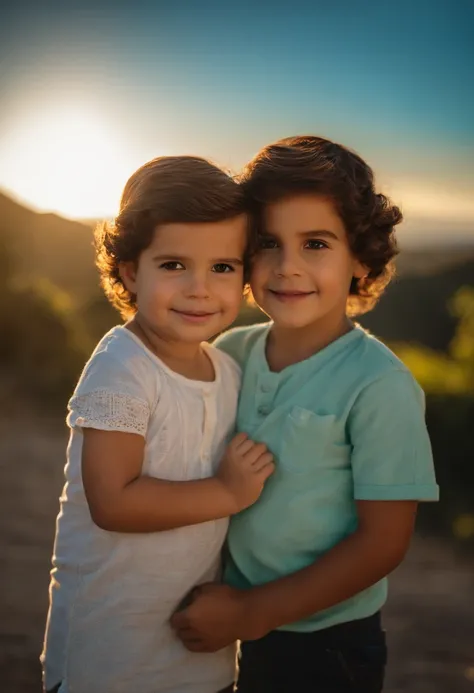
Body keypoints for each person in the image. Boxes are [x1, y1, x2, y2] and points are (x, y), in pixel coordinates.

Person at [171, 136, 439, 692]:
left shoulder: (379, 384)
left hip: (326, 644)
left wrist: (254, 612)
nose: (287, 266)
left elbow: (383, 542)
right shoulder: (228, 354)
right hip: (229, 618)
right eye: (268, 243)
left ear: (360, 258)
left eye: (315, 243)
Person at [40, 155, 275, 693]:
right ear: (130, 271)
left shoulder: (228, 372)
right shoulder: (123, 367)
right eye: (173, 265)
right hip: (109, 657)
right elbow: (114, 502)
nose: (199, 288)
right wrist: (227, 492)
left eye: (222, 267)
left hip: (195, 658)